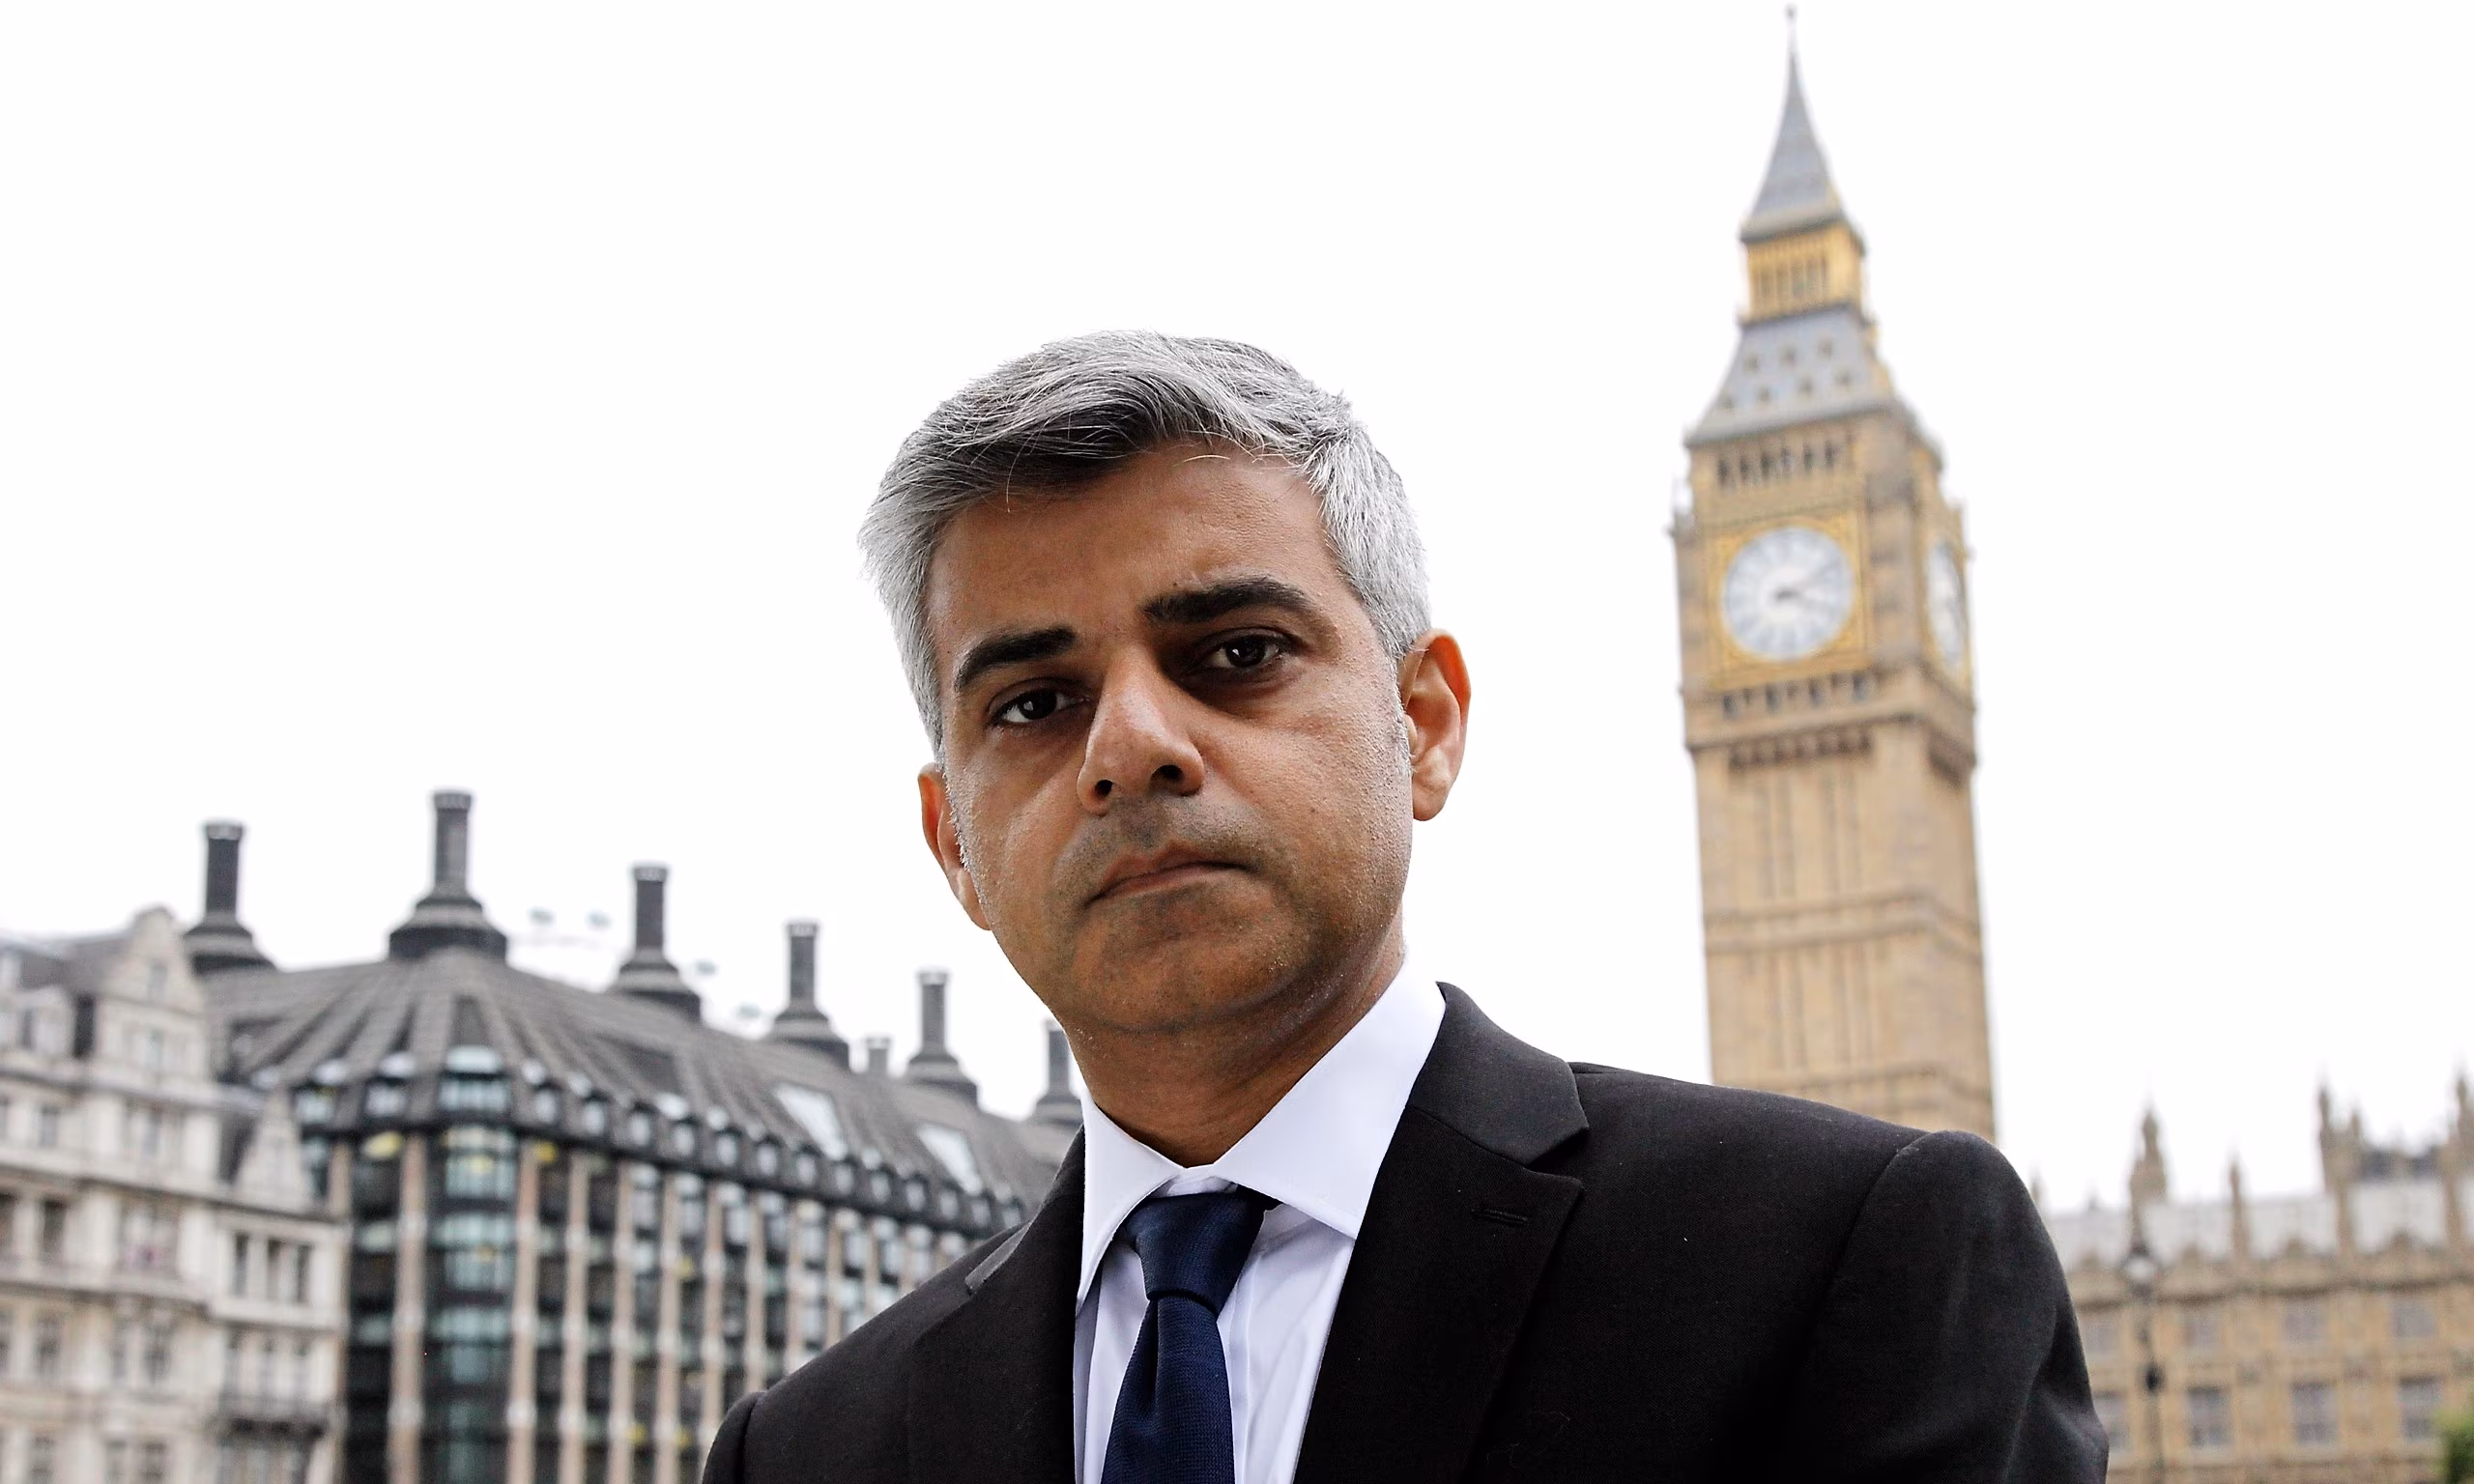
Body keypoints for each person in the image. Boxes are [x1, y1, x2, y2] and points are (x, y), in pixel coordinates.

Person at [704, 332, 2104, 1483]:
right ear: (953, 843)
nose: (1129, 743)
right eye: (1033, 702)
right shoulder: (808, 1452)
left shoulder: (1848, 1265)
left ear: (1424, 725)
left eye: (1236, 653)